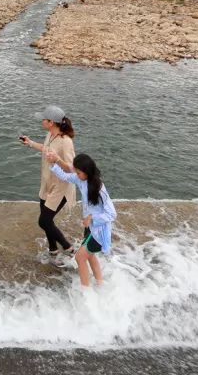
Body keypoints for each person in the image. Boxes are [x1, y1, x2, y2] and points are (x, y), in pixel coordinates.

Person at [45, 151, 116, 288]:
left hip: (98, 232)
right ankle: (100, 284)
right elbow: (65, 176)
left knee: (80, 257)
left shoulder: (99, 189)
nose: (76, 175)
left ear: (87, 171)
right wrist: (53, 163)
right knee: (90, 256)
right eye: (76, 172)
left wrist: (92, 217)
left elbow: (112, 214)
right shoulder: (81, 179)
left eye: (78, 173)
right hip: (89, 229)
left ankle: (86, 292)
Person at [18, 105, 78, 267]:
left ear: (51, 122)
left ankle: (69, 248)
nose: (41, 121)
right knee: (48, 220)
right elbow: (46, 149)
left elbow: (72, 168)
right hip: (47, 184)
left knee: (44, 221)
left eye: (43, 119)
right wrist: (30, 143)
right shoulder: (50, 135)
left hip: (61, 188)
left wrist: (57, 159)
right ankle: (53, 251)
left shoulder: (66, 142)